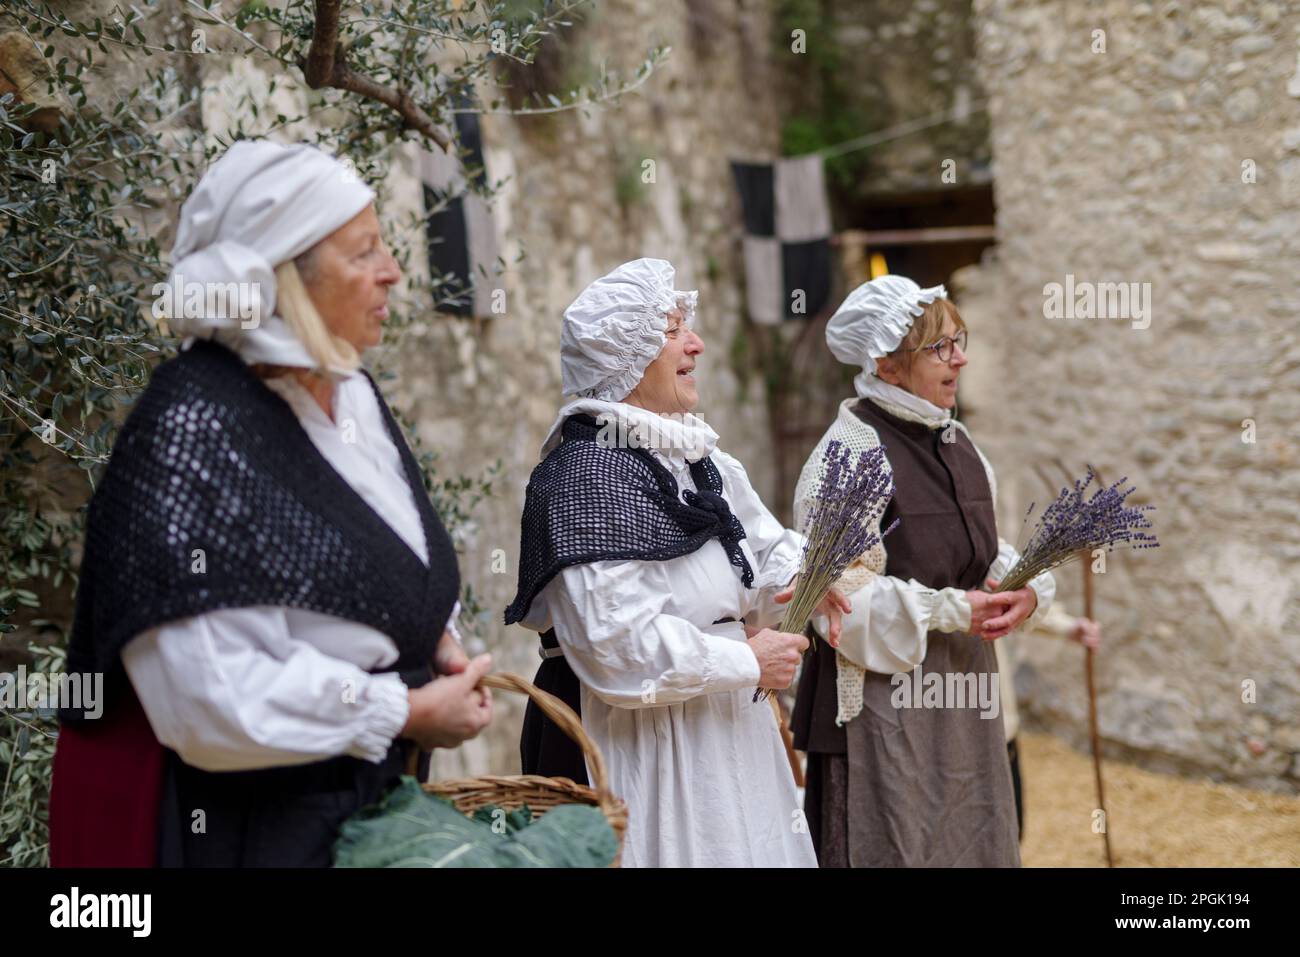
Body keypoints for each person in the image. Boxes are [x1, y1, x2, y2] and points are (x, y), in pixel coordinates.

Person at [49, 140, 492, 868]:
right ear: (287, 276)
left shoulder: (352, 397)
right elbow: (208, 700)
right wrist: (405, 711)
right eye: (363, 253)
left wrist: (435, 643)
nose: (393, 271)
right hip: (250, 831)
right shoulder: (190, 429)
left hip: (371, 809)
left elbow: (386, 556)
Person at [505, 258, 847, 867]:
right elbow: (616, 646)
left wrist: (797, 586)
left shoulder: (694, 458)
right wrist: (745, 657)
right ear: (624, 358)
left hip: (721, 725)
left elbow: (761, 551)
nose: (697, 343)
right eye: (671, 331)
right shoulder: (588, 477)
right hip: (641, 744)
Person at [790, 274, 1056, 867]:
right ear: (886, 364)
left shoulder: (958, 440)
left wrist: (1030, 588)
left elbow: (988, 551)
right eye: (939, 347)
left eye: (959, 339)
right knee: (897, 847)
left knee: (972, 844)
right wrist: (949, 610)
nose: (960, 357)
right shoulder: (849, 453)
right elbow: (833, 597)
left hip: (967, 696)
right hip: (886, 710)